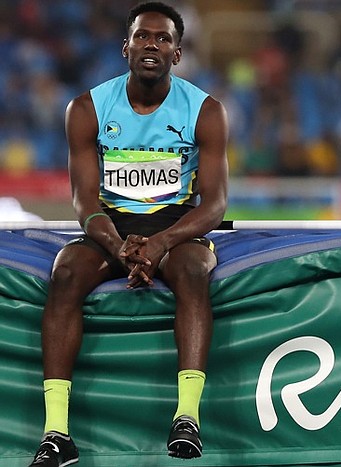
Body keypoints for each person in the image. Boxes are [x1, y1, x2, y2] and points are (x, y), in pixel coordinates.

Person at [28, 2, 229, 465]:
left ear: (177, 54)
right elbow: (84, 203)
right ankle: (56, 433)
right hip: (111, 226)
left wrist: (159, 244)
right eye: (142, 37)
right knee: (64, 273)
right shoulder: (86, 108)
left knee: (196, 270)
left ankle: (187, 420)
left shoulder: (205, 111)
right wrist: (120, 247)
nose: (151, 45)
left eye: (162, 39)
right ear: (126, 47)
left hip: (174, 226)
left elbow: (215, 205)